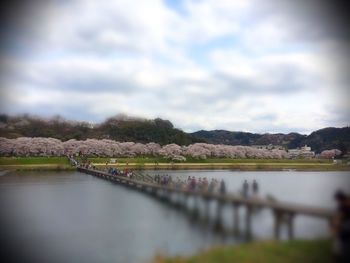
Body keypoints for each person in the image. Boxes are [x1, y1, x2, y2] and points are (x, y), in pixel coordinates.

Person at [332, 190, 350, 262]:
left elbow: (338, 219)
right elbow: (338, 218)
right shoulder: (341, 206)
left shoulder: (343, 206)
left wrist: (336, 227)